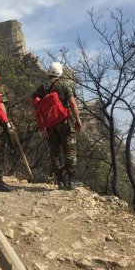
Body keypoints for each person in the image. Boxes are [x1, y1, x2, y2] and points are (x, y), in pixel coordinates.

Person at [29, 61, 83, 190]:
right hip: (64, 122)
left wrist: (41, 110)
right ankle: (71, 180)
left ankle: (60, 181)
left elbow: (32, 102)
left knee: (55, 152)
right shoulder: (65, 85)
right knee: (70, 150)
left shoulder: (42, 87)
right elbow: (72, 103)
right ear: (60, 72)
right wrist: (78, 119)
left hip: (50, 125)